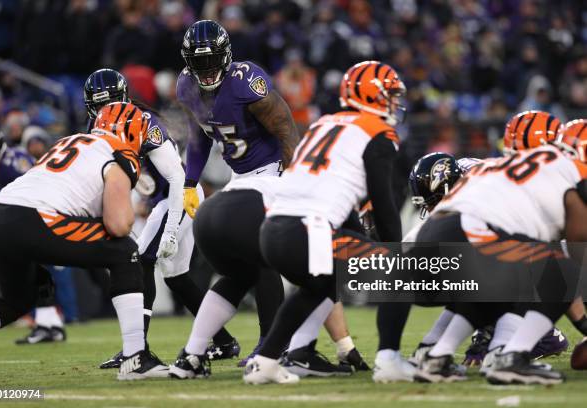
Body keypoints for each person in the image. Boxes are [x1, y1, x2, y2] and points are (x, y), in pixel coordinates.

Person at [0, 103, 167, 380]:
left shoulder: (71, 140)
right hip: (33, 218)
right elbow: (118, 224)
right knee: (126, 251)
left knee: (16, 300)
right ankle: (136, 357)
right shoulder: (120, 153)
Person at [242, 61, 405, 384]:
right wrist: (393, 249)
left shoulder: (323, 124)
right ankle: (390, 361)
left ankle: (266, 361)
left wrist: (359, 238)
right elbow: (383, 204)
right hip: (307, 230)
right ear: (372, 96)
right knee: (398, 269)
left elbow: (334, 198)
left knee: (319, 286)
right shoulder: (377, 133)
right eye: (390, 94)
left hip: (273, 230)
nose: (395, 102)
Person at [82, 69, 239, 370]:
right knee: (177, 278)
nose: (105, 112)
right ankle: (223, 341)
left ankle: (136, 348)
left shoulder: (143, 121)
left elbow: (178, 177)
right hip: (160, 201)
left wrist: (169, 231)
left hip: (180, 197)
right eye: (100, 106)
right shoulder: (96, 127)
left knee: (141, 262)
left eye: (111, 103)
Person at [414, 113, 586, 385]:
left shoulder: (499, 164)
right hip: (467, 235)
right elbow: (578, 242)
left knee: (502, 285)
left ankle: (436, 354)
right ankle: (509, 357)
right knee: (558, 269)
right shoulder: (565, 168)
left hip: (424, 249)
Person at [176, 19, 299, 364]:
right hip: (241, 177)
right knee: (238, 265)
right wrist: (189, 181)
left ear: (226, 56)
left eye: (212, 60)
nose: (207, 69)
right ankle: (199, 348)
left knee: (261, 255)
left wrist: (293, 177)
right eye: (199, 62)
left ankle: (273, 344)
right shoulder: (186, 86)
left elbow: (286, 127)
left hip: (272, 173)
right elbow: (198, 136)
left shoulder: (245, 81)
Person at [168, 175, 369, 379]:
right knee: (324, 273)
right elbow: (352, 245)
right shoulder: (334, 189)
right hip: (248, 214)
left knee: (240, 277)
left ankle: (191, 356)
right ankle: (297, 353)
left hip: (208, 215)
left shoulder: (303, 172)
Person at [0, 123, 71, 344]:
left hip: (45, 212)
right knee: (36, 271)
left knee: (34, 269)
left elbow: (37, 194)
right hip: (38, 214)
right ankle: (49, 325)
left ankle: (49, 324)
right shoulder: (2, 164)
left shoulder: (9, 167)